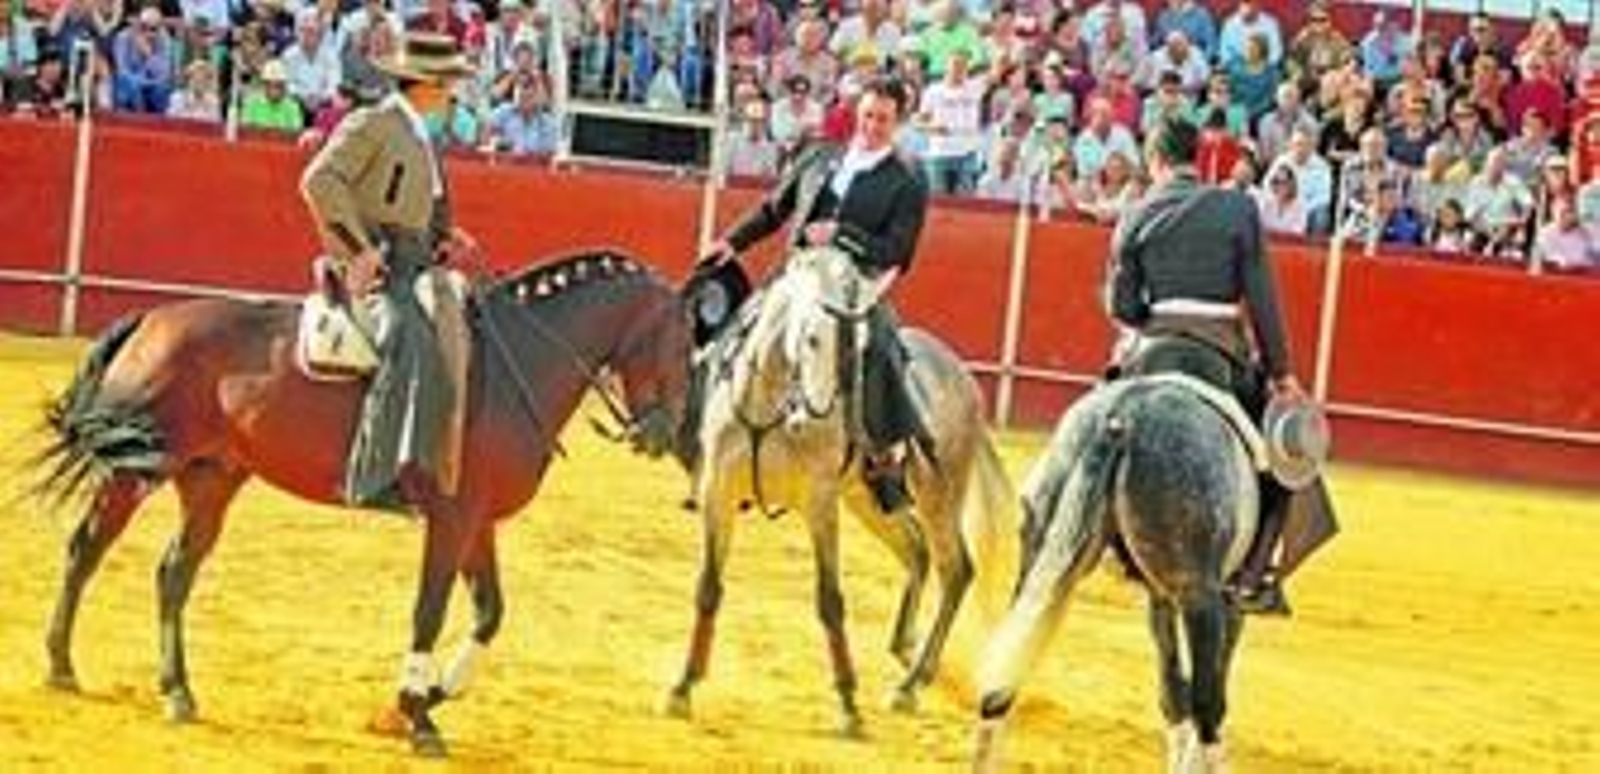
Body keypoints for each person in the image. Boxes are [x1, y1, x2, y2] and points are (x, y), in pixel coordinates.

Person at [1105, 115, 1337, 615]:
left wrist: (1152, 319)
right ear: (1196, 158)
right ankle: (1255, 577)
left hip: (1153, 345)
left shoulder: (1136, 211)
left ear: (1155, 161)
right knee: (1282, 459)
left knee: (1099, 426)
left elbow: (1122, 307)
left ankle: (1097, 537)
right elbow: (1262, 297)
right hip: (1220, 350)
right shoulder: (1236, 208)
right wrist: (1281, 375)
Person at [694, 75, 930, 514]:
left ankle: (884, 464)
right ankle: (712, 443)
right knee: (733, 333)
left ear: (897, 123)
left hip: (856, 286)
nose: (872, 125)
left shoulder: (908, 180)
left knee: (879, 350)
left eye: (883, 119)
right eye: (867, 115)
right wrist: (732, 242)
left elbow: (899, 250)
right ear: (856, 113)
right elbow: (773, 209)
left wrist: (843, 234)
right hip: (796, 275)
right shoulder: (820, 156)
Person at [299, 32, 476, 510]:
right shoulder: (375, 123)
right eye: (448, 83)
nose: (453, 93)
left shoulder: (421, 133)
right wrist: (358, 250)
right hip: (383, 261)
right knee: (407, 337)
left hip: (415, 258)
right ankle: (373, 477)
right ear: (426, 84)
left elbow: (421, 204)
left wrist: (446, 235)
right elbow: (320, 180)